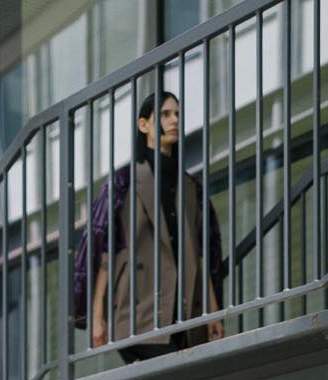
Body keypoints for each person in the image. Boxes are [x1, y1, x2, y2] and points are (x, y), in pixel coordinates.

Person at [74, 91, 228, 362]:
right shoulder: (124, 182)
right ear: (143, 125)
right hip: (138, 311)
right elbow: (106, 251)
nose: (174, 120)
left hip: (185, 310)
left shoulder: (191, 188)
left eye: (177, 114)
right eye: (165, 114)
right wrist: (97, 317)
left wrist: (212, 312)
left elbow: (201, 254)